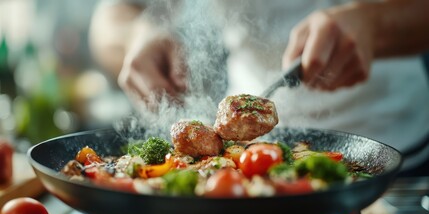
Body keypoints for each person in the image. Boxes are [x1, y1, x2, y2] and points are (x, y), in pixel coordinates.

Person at [89, 0, 429, 176]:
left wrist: (377, 22)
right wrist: (136, 34)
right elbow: (110, 17)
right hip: (250, 152)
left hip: (390, 145)